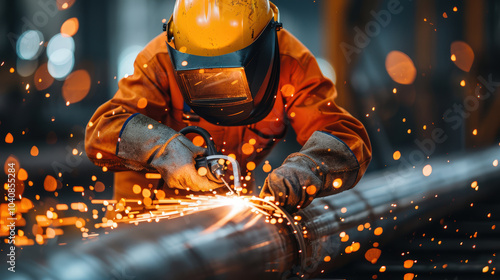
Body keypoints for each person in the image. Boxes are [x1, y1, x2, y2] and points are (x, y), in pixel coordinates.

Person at [85, 0, 372, 213]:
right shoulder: (160, 61)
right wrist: (162, 147)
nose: (219, 88)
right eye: (203, 76)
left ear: (262, 49)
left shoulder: (290, 64)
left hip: (227, 212)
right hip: (146, 215)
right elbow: (102, 131)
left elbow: (346, 138)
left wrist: (306, 170)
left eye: (229, 76)